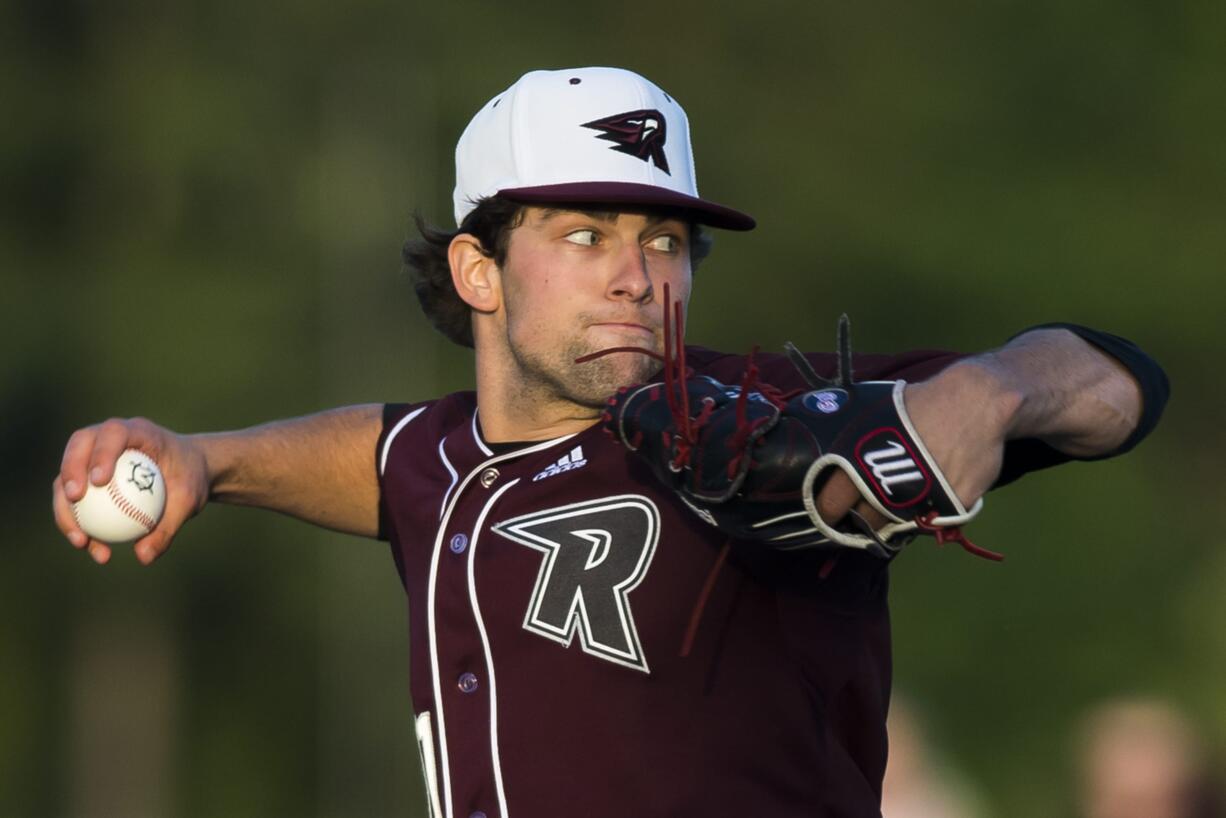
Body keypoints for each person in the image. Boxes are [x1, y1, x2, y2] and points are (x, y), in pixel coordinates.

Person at [52, 67, 1169, 817]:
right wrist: (207, 458)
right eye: (584, 233)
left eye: (664, 238)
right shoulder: (440, 459)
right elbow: (382, 457)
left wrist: (987, 390)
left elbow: (1117, 378)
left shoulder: (756, 412)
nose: (636, 274)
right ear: (476, 270)